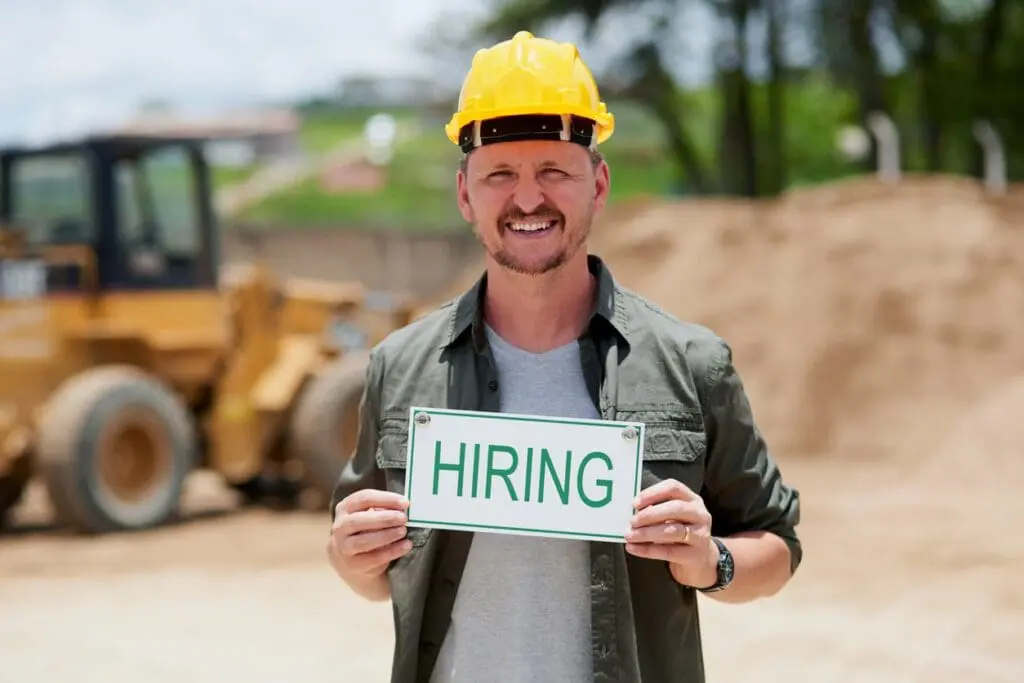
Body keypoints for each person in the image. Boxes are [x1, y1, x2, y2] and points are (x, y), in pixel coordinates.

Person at [328, 30, 802, 683]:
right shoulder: (399, 367)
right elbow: (379, 574)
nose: (528, 199)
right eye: (500, 174)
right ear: (466, 193)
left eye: (554, 170)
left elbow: (778, 545)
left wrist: (710, 559)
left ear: (598, 184)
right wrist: (354, 560)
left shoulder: (691, 363)